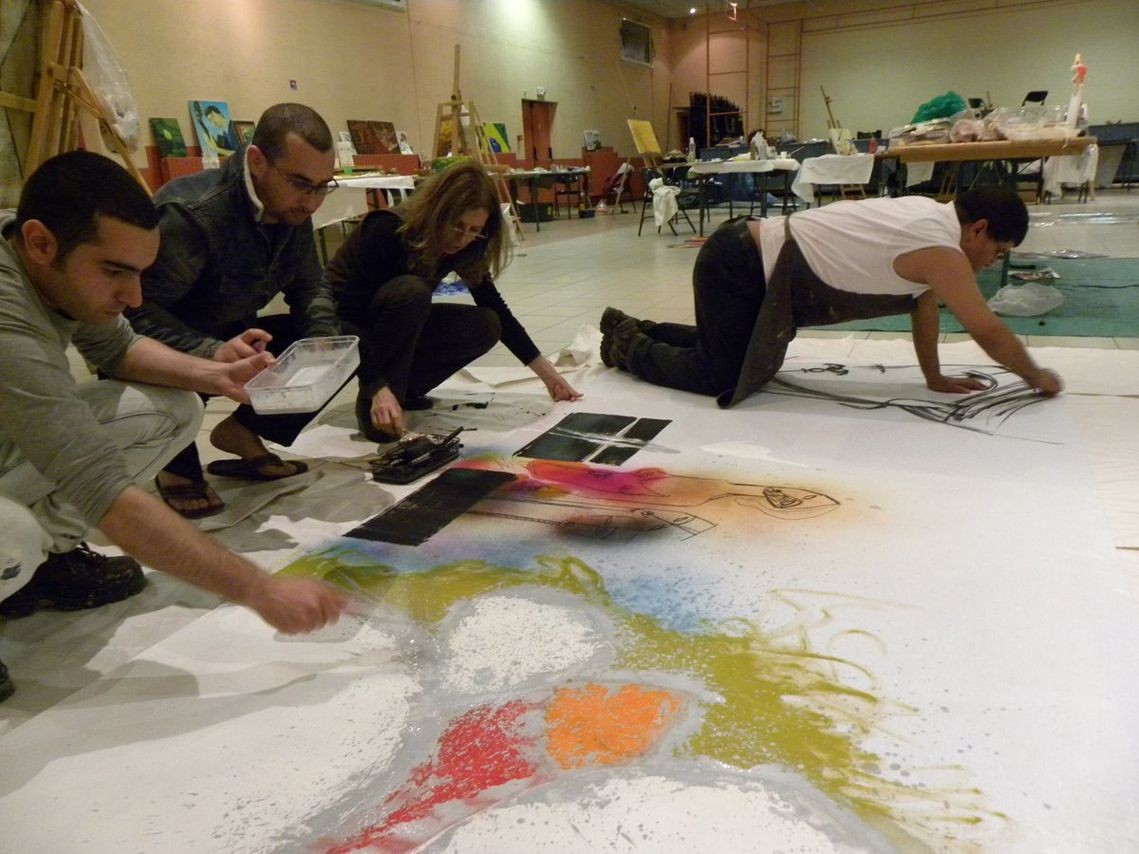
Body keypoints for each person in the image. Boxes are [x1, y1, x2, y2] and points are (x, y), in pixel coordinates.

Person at [0, 151, 348, 702]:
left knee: (176, 410)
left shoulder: (37, 259)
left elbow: (119, 346)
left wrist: (219, 374)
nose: (134, 298)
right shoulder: (6, 318)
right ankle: (23, 554)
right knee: (9, 531)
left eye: (139, 274)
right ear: (41, 242)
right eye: (115, 272)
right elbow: (101, 491)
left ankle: (47, 565)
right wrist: (261, 590)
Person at [600, 188, 1062, 407]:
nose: (989, 262)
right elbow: (987, 329)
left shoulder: (932, 219)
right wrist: (1035, 374)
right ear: (978, 227)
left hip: (746, 259)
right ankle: (627, 346)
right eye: (995, 251)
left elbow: (923, 304)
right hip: (736, 263)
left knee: (741, 358)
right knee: (722, 375)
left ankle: (640, 328)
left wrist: (934, 376)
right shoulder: (942, 247)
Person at [127, 102, 342, 518]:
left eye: (322, 186)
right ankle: (176, 465)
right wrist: (210, 353)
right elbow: (134, 314)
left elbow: (309, 285)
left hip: (234, 333)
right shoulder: (193, 214)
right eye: (301, 183)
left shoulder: (293, 206)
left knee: (339, 339)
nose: (312, 203)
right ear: (257, 162)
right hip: (170, 340)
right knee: (175, 375)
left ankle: (243, 433)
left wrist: (324, 344)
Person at [326, 161, 581, 443]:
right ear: (437, 212)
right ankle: (382, 400)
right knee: (412, 292)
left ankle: (406, 390)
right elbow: (348, 315)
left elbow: (495, 306)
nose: (463, 239)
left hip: (396, 318)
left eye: (475, 230)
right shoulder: (388, 228)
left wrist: (548, 376)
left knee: (486, 323)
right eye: (457, 226)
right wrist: (376, 386)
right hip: (345, 328)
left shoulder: (465, 244)